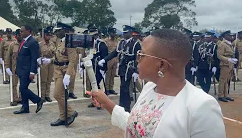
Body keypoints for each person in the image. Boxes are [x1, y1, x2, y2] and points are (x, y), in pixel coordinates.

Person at [92, 29, 225, 138]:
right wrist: (107, 103)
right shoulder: (150, 88)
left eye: (141, 55)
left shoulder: (202, 106)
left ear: (161, 65)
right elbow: (139, 127)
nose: (137, 59)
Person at [98, 25, 141, 112]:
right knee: (122, 87)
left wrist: (136, 71)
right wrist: (104, 60)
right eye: (123, 33)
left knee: (125, 87)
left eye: (126, 33)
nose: (124, 35)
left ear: (130, 33)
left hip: (130, 68)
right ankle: (123, 105)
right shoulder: (121, 42)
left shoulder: (135, 43)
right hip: (122, 67)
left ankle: (126, 107)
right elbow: (114, 53)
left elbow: (138, 58)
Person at [49, 22, 78, 126]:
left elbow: (72, 61)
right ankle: (62, 116)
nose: (56, 32)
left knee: (57, 94)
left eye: (58, 30)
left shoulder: (70, 42)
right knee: (60, 95)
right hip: (57, 70)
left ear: (65, 31)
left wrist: (68, 75)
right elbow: (59, 56)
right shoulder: (60, 41)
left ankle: (71, 112)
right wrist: (50, 61)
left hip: (65, 71)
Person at [13, 25, 44, 114]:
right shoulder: (24, 41)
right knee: (23, 88)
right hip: (21, 69)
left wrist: (32, 72)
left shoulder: (32, 42)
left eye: (22, 31)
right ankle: (25, 107)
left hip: (27, 70)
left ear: (28, 31)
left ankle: (38, 100)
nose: (20, 33)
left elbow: (35, 58)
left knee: (22, 88)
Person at [217, 30, 236, 102]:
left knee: (227, 80)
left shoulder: (229, 44)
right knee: (222, 80)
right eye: (229, 35)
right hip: (225, 64)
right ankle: (220, 95)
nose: (231, 37)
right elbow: (219, 55)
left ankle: (226, 95)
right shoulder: (222, 44)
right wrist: (228, 59)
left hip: (230, 64)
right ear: (225, 36)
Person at [37, 26, 55, 102]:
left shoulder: (52, 44)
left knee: (49, 80)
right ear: (44, 35)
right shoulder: (40, 44)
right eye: (47, 35)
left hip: (50, 63)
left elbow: (55, 54)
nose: (48, 36)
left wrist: (51, 60)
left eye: (49, 35)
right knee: (43, 80)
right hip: (43, 63)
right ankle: (42, 95)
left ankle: (47, 95)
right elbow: (37, 55)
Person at [5, 29, 22, 106]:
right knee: (14, 84)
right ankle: (14, 98)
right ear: (16, 36)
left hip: (23, 66)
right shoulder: (12, 45)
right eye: (19, 35)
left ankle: (22, 98)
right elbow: (8, 56)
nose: (20, 36)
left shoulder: (25, 43)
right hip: (14, 67)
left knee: (23, 84)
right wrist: (7, 67)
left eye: (21, 35)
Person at [104, 27, 119, 95]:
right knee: (108, 74)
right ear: (109, 33)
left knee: (113, 74)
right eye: (113, 33)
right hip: (108, 59)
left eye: (114, 33)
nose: (114, 34)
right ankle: (106, 89)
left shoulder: (116, 40)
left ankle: (111, 88)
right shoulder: (106, 41)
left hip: (115, 59)